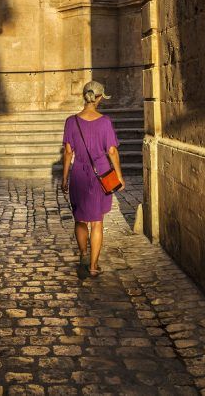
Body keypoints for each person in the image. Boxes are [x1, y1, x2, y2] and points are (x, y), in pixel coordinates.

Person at [61, 80, 125, 277]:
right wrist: (119, 177)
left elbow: (68, 152)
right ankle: (94, 266)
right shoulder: (105, 122)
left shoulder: (71, 121)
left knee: (80, 219)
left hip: (79, 173)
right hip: (102, 174)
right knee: (97, 222)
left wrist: (65, 179)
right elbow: (112, 151)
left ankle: (83, 254)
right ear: (98, 98)